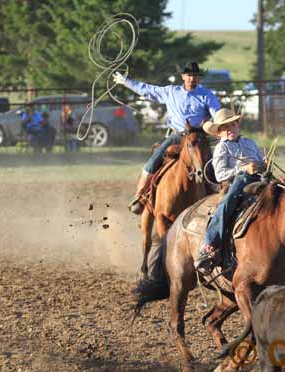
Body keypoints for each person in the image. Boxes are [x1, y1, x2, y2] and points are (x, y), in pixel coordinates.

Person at [112, 62, 221, 214]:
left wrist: (219, 124)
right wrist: (126, 82)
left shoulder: (207, 95)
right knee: (152, 163)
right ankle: (140, 196)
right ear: (183, 76)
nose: (192, 78)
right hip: (177, 136)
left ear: (199, 78)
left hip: (198, 137)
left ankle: (219, 196)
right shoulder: (171, 91)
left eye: (195, 76)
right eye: (189, 75)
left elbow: (217, 113)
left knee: (212, 164)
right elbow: (147, 90)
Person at [193, 108, 264, 271]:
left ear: (238, 126)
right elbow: (220, 175)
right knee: (226, 205)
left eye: (232, 125)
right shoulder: (221, 148)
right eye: (225, 127)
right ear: (219, 133)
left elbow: (259, 162)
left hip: (260, 180)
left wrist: (262, 165)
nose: (230, 129)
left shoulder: (250, 143)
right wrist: (244, 169)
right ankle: (209, 246)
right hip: (237, 183)